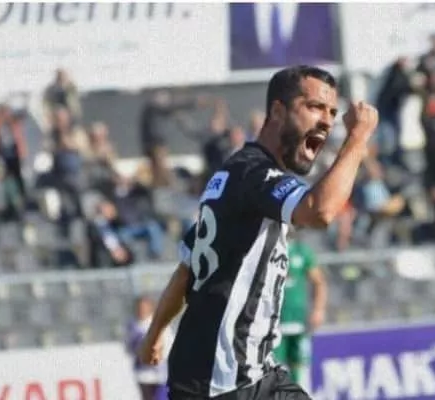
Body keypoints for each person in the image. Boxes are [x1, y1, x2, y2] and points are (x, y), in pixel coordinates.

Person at [137, 65, 378, 400]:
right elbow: (319, 211)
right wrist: (358, 138)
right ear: (277, 111)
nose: (327, 121)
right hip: (221, 383)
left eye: (332, 112)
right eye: (314, 107)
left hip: (251, 374)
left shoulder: (233, 175)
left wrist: (154, 335)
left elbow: (186, 271)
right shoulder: (254, 173)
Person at [273, 233, 327, 391]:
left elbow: (319, 282)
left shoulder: (301, 251)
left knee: (300, 368)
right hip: (274, 324)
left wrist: (318, 310)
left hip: (299, 321)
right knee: (273, 371)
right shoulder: (269, 249)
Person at [127, 296, 174, 400]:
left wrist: (158, 355)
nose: (141, 310)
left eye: (144, 307)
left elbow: (169, 345)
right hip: (143, 373)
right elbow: (129, 347)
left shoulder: (158, 323)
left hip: (160, 373)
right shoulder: (132, 325)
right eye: (140, 307)